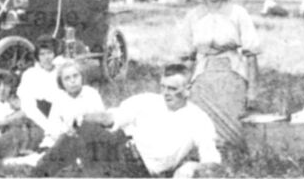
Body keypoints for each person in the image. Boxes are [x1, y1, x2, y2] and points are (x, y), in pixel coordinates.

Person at [32, 63, 222, 178]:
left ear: (189, 89)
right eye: (163, 87)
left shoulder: (198, 120)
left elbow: (212, 160)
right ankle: (38, 174)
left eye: (173, 89)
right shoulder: (148, 100)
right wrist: (80, 117)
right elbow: (109, 118)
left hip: (141, 171)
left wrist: (192, 165)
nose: (166, 93)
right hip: (122, 149)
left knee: (87, 143)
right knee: (84, 128)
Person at [175, 0, 260, 150]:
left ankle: (232, 151)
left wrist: (252, 90)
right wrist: (183, 85)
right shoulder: (193, 16)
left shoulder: (238, 13)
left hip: (233, 73)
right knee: (198, 120)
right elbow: (187, 57)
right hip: (203, 73)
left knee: (234, 128)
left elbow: (251, 55)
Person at [16, 34, 64, 148]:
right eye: (42, 54)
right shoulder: (30, 75)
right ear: (37, 57)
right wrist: (49, 127)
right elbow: (29, 107)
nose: (46, 57)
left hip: (61, 114)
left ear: (55, 54)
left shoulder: (61, 71)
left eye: (49, 53)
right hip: (39, 117)